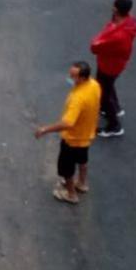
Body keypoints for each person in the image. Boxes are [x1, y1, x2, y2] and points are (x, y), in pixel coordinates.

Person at [34, 61, 101, 204]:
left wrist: (45, 129)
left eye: (73, 76)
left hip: (72, 140)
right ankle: (82, 184)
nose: (70, 78)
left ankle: (71, 194)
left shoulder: (78, 98)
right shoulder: (94, 85)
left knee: (66, 170)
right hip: (86, 136)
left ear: (82, 78)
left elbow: (68, 123)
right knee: (82, 161)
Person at [89, 0, 136, 137]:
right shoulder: (130, 24)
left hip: (108, 65)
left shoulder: (117, 35)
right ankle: (114, 108)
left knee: (104, 92)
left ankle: (114, 125)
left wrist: (97, 40)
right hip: (117, 64)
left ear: (115, 9)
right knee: (108, 85)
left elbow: (95, 46)